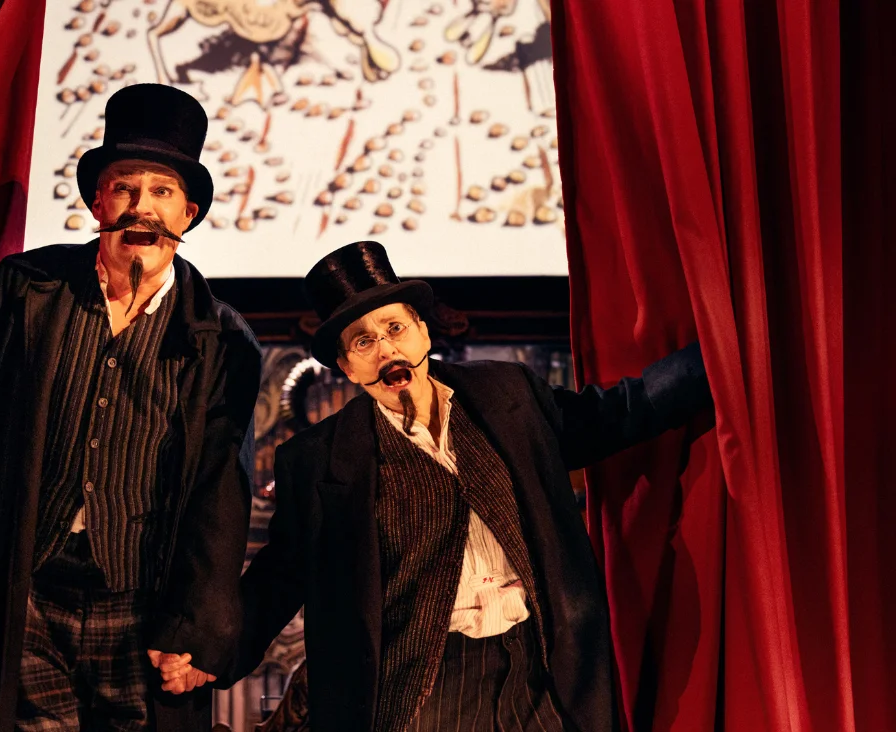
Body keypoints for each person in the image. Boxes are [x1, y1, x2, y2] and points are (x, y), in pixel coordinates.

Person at [166, 240, 712, 731]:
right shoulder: (316, 460)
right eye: (363, 342)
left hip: (542, 670)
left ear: (423, 332)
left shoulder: (510, 396)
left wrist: (720, 358)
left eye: (394, 329)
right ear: (347, 367)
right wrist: (209, 653)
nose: (386, 351)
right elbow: (281, 575)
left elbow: (620, 413)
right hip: (422, 687)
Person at [0, 83, 261, 732]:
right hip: (30, 591)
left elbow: (219, 491)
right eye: (124, 188)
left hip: (140, 604)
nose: (141, 207)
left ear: (188, 214)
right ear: (98, 203)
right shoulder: (25, 291)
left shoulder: (220, 340)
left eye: (162, 191)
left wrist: (198, 625)